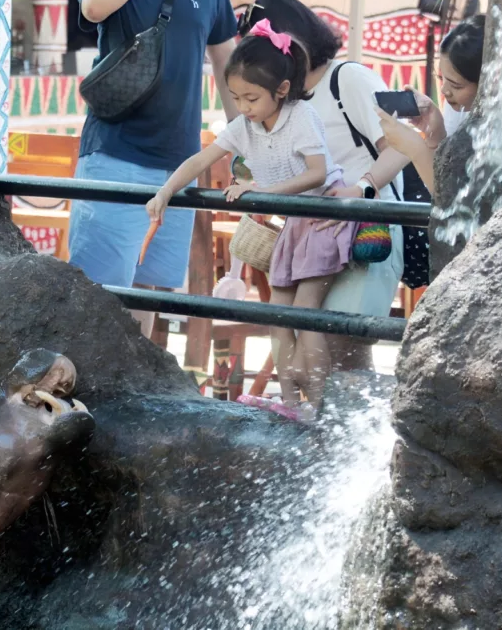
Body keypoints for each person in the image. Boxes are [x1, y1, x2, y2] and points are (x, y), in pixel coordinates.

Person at [146, 26, 356, 423]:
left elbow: (318, 172)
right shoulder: (244, 126)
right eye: (236, 97)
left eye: (251, 98)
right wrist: (165, 192)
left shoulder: (300, 116)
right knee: (277, 310)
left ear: (281, 89)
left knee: (305, 311)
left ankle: (319, 404)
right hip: (295, 220)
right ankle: (293, 404)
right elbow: (201, 159)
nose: (243, 107)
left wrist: (265, 191)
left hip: (326, 217)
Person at [70, 0, 240, 338]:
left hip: (180, 164)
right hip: (116, 154)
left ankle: (136, 386)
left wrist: (244, 138)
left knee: (148, 289)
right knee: (101, 291)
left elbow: (224, 58)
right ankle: (96, 389)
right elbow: (93, 8)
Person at [240, 0, 412, 372]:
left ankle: (349, 427)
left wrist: (360, 190)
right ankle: (312, 422)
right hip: (317, 233)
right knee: (305, 338)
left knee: (345, 344)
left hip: (367, 226)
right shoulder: (291, 98)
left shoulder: (346, 77)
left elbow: (403, 147)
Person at [375, 14, 486, 193]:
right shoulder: (457, 108)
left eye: (456, 85)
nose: (444, 91)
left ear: (488, 80)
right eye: (441, 78)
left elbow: (450, 199)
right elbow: (442, 179)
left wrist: (415, 148)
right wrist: (436, 135)